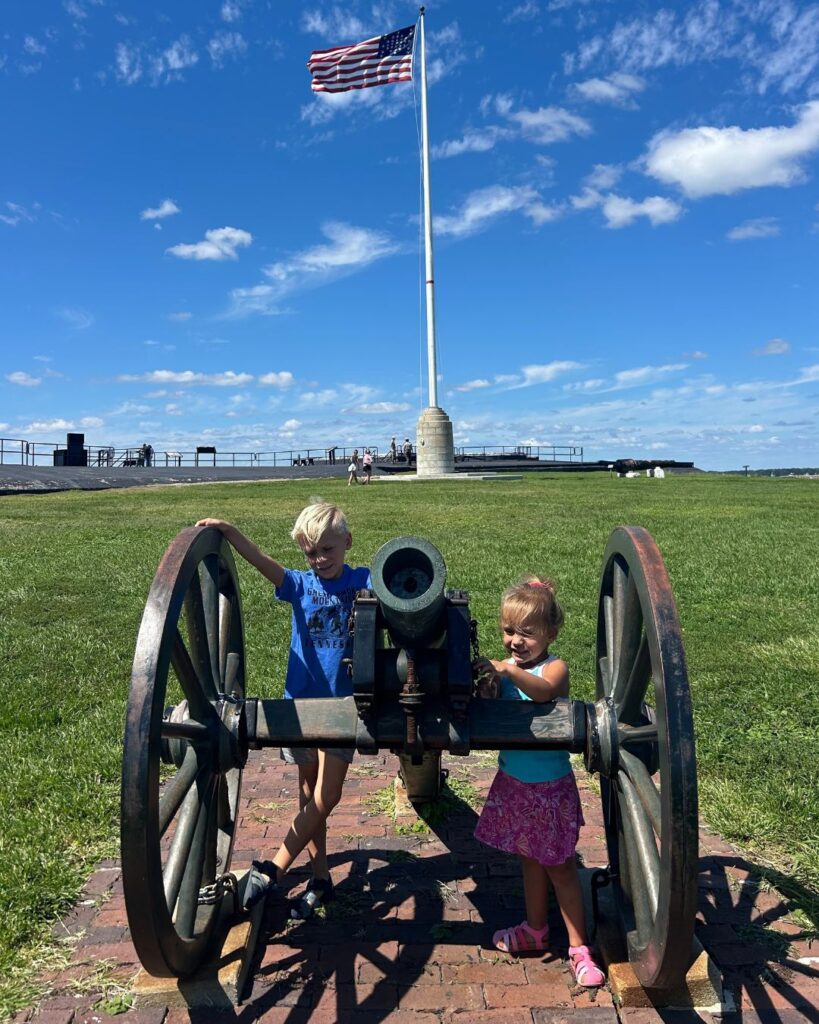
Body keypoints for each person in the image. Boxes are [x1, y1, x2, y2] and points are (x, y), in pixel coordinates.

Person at [194, 502, 371, 918]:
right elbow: (262, 561)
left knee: (327, 796)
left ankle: (272, 869)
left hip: (344, 705)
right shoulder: (299, 584)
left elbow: (396, 591)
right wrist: (229, 531)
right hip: (300, 704)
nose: (320, 559)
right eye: (311, 552)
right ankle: (320, 878)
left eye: (327, 549)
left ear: (347, 542)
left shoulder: (362, 581)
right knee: (309, 794)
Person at [472, 576, 605, 987]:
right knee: (528, 858)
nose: (515, 641)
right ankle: (535, 929)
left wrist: (508, 673)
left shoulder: (554, 668)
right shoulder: (507, 670)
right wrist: (486, 683)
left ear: (551, 633)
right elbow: (491, 705)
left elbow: (546, 692)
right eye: (508, 631)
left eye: (527, 633)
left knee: (561, 868)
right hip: (514, 783)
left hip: (549, 789)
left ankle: (579, 948)